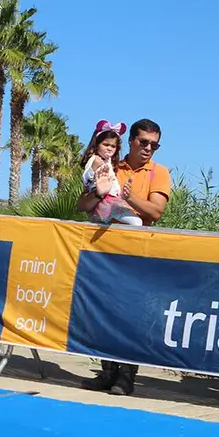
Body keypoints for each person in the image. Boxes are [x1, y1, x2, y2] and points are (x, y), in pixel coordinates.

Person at [78, 119, 171, 396]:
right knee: (104, 313)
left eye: (154, 145)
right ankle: (107, 373)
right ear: (130, 140)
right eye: (144, 142)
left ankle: (127, 376)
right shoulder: (110, 164)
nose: (149, 148)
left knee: (131, 316)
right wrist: (99, 192)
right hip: (105, 253)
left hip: (137, 255)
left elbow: (155, 212)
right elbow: (83, 204)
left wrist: (129, 200)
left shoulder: (159, 172)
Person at [79, 120, 141, 226]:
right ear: (97, 145)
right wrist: (94, 170)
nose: (109, 148)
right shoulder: (96, 160)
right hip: (106, 200)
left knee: (102, 224)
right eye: (105, 144)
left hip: (111, 198)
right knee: (136, 222)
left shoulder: (108, 161)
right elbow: (87, 176)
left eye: (113, 146)